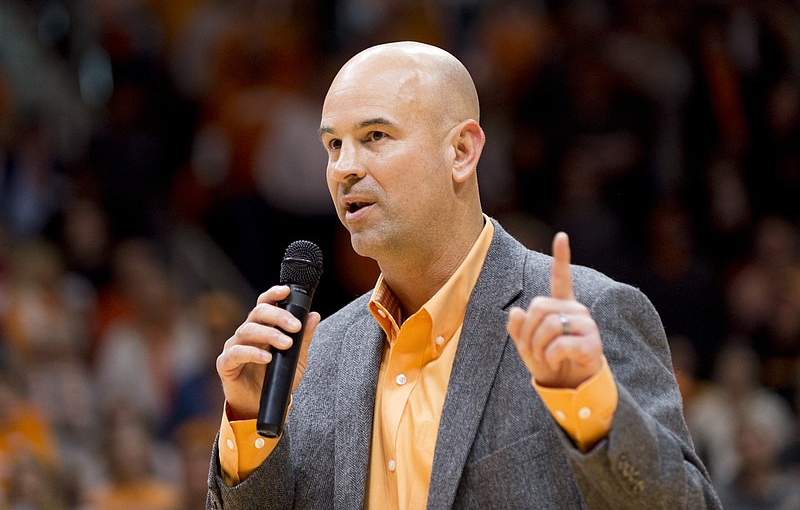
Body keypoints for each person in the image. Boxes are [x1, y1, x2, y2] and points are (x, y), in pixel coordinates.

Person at [207, 41, 720, 508]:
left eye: (375, 136)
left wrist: (594, 407)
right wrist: (251, 427)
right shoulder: (313, 359)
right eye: (334, 145)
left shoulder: (588, 317)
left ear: (461, 152)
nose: (344, 167)